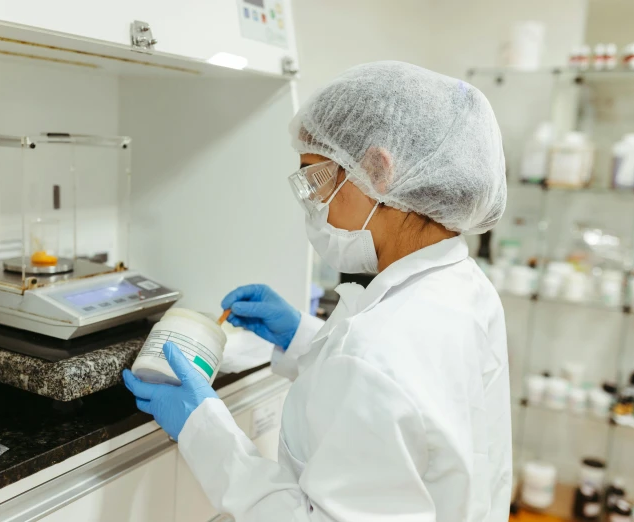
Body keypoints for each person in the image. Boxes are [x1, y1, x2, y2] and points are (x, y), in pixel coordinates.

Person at [123, 61, 512, 521]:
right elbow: (414, 414)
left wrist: (203, 429)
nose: (312, 203)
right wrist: (303, 338)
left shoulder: (379, 350)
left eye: (315, 178)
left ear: (377, 170)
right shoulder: (463, 286)